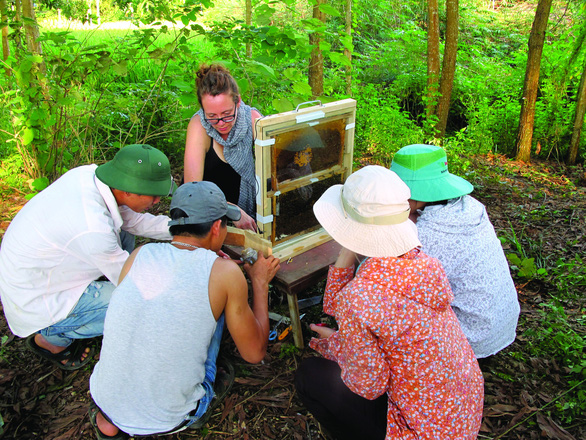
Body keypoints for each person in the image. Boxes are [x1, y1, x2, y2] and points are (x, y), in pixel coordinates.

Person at [294, 165, 484, 440]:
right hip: (459, 417)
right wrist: (355, 237)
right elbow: (344, 309)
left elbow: (369, 385)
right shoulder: (425, 264)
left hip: (418, 430)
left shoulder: (359, 298)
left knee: (309, 376)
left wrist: (338, 345)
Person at [88, 181, 280, 439]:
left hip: (105, 399)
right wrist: (259, 283)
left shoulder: (139, 255)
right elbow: (255, 353)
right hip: (171, 416)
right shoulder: (225, 273)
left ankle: (112, 421)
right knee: (217, 308)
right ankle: (194, 407)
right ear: (216, 227)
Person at [0, 144, 175, 371]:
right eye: (153, 196)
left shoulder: (92, 176)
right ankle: (51, 337)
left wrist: (186, 228)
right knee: (142, 305)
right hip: (39, 299)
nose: (156, 202)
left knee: (123, 231)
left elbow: (134, 221)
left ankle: (94, 298)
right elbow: (135, 283)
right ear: (129, 190)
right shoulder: (94, 228)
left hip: (46, 268)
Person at [391, 144, 520, 359]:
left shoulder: (425, 236)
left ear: (409, 194)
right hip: (501, 323)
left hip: (471, 337)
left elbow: (398, 289)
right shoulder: (471, 207)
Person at [184, 63, 261, 231]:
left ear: (238, 101)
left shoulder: (252, 119)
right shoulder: (199, 126)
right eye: (212, 116)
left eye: (227, 115)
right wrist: (232, 210)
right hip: (209, 219)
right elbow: (191, 190)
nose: (220, 123)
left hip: (250, 218)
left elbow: (277, 161)